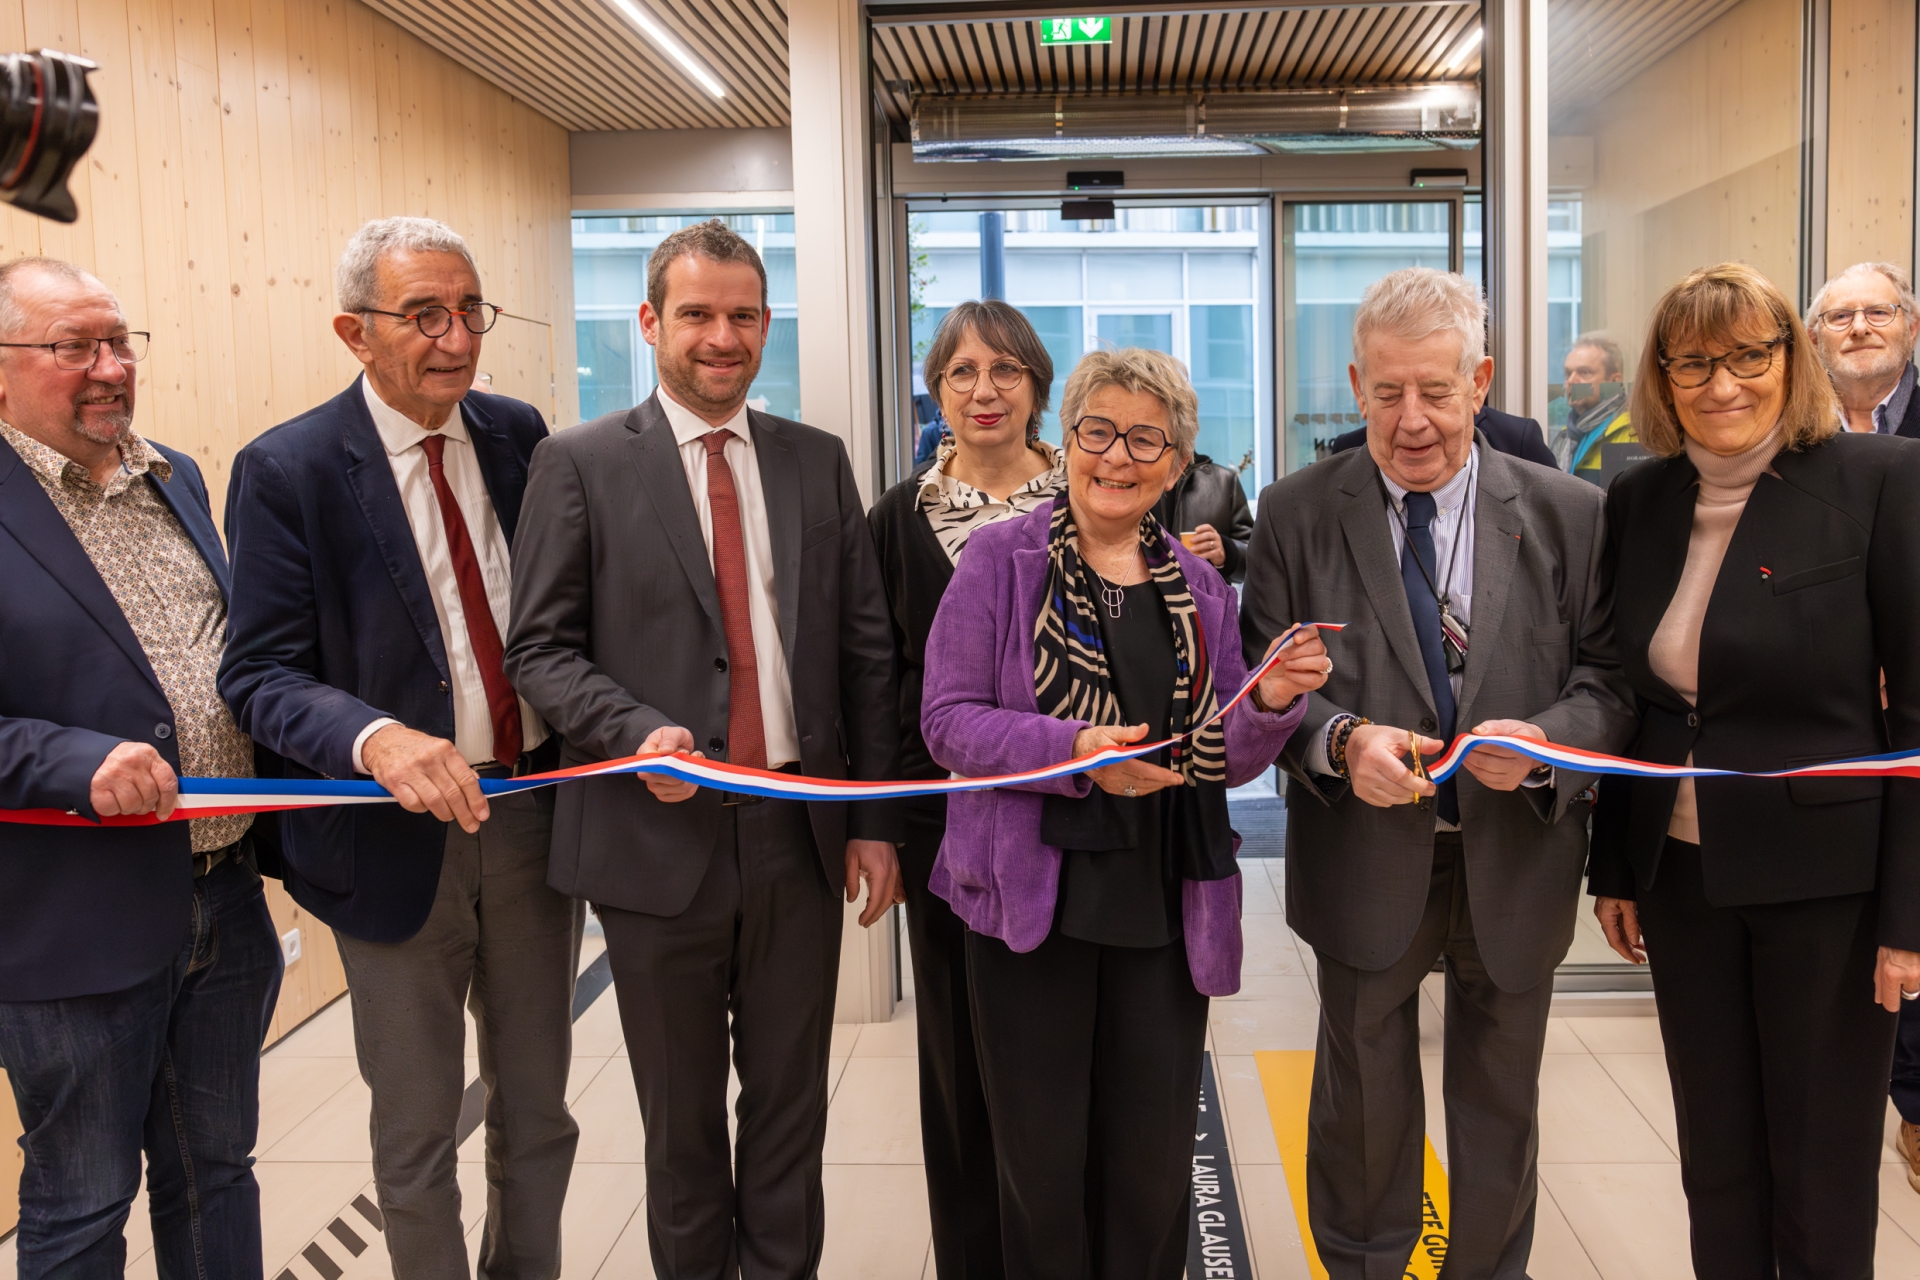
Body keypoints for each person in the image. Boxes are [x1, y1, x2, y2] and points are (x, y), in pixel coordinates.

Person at [504, 217, 903, 1278]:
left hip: (795, 838)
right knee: (680, 1127)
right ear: (650, 322)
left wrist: (869, 820)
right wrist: (635, 729)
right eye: (697, 314)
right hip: (652, 844)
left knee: (790, 1111)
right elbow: (537, 650)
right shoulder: (578, 461)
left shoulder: (818, 463)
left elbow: (864, 653)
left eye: (741, 315)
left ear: (766, 324)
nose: (721, 336)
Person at [1240, 266, 1636, 1278]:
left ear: (1483, 380)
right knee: (1363, 1101)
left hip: (1520, 854)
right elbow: (1267, 688)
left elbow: (1610, 682)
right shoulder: (1293, 512)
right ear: (1355, 382)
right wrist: (1339, 742)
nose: (1410, 420)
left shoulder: (1570, 513)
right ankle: (1368, 1265)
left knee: (1501, 1105)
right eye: (1385, 392)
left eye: (1436, 390)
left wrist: (1546, 743)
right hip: (1364, 852)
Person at [220, 216, 581, 1280]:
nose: (456, 336)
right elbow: (258, 673)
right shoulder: (288, 469)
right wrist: (375, 738)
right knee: (420, 1130)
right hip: (391, 841)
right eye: (424, 313)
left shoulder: (520, 436)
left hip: (529, 816)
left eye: (471, 310)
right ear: (355, 331)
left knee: (540, 1112)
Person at [921, 345, 1321, 1278]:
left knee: (1147, 1175)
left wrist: (1271, 701)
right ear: (1067, 442)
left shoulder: (1203, 587)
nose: (1118, 456)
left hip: (1163, 910)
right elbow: (947, 723)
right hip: (1034, 910)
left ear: (1178, 465)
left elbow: (1229, 753)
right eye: (1098, 431)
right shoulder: (999, 561)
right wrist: (1069, 752)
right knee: (1041, 1170)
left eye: (1147, 439)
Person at [1588, 261, 1920, 1276]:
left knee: (1819, 1170)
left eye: (1748, 354)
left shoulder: (1880, 480)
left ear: (1790, 356)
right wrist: (1614, 865)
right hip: (1684, 877)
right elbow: (1630, 691)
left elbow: (1915, 714)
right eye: (1694, 361)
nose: (1722, 382)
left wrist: (1909, 921)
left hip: (1833, 887)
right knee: (1718, 1158)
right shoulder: (1639, 496)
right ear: (1662, 374)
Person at [0, 257, 282, 1278]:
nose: (109, 367)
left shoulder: (177, 477)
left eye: (120, 342)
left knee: (218, 1170)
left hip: (225, 896)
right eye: (73, 346)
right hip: (72, 921)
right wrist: (73, 759)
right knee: (81, 1199)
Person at [869, 299, 1064, 1279]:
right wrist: (875, 823)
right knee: (956, 1057)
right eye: (961, 373)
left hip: (1072, 821)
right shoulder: (895, 518)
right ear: (937, 390)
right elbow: (876, 677)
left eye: (1006, 371)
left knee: (1059, 1048)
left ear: (1038, 384)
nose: (984, 390)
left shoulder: (1097, 499)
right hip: (940, 828)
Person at [1807, 260, 1920, 437]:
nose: (1859, 328)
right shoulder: (1784, 431)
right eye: (1841, 316)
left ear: (1911, 329)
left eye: (1879, 312)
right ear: (1815, 340)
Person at [1328, 398, 1557, 469]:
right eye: (1390, 394)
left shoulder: (1517, 437)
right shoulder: (1350, 449)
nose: (1412, 423)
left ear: (1477, 384)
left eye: (1435, 393)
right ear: (1360, 390)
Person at [1151, 450, 1254, 582]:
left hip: (1205, 599)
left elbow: (1258, 559)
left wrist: (1227, 552)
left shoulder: (1224, 481)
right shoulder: (1131, 480)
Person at [1555, 332, 1634, 478]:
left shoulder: (1634, 432)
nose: (1571, 380)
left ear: (1614, 380)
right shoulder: (1566, 436)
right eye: (1568, 373)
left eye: (1584, 372)